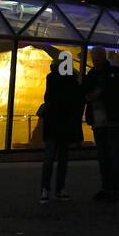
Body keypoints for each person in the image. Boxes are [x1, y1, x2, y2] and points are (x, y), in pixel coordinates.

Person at [81, 47, 119, 202]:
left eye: (96, 59)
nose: (95, 62)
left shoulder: (113, 73)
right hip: (100, 120)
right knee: (104, 155)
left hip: (110, 120)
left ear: (102, 57)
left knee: (112, 155)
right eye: (93, 59)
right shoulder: (97, 74)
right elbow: (85, 92)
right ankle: (107, 188)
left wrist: (99, 94)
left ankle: (113, 189)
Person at [38, 57, 84, 203]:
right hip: (65, 125)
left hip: (53, 124)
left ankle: (46, 189)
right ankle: (59, 188)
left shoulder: (52, 78)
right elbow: (76, 101)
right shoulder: (72, 81)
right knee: (62, 159)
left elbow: (49, 98)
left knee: (50, 158)